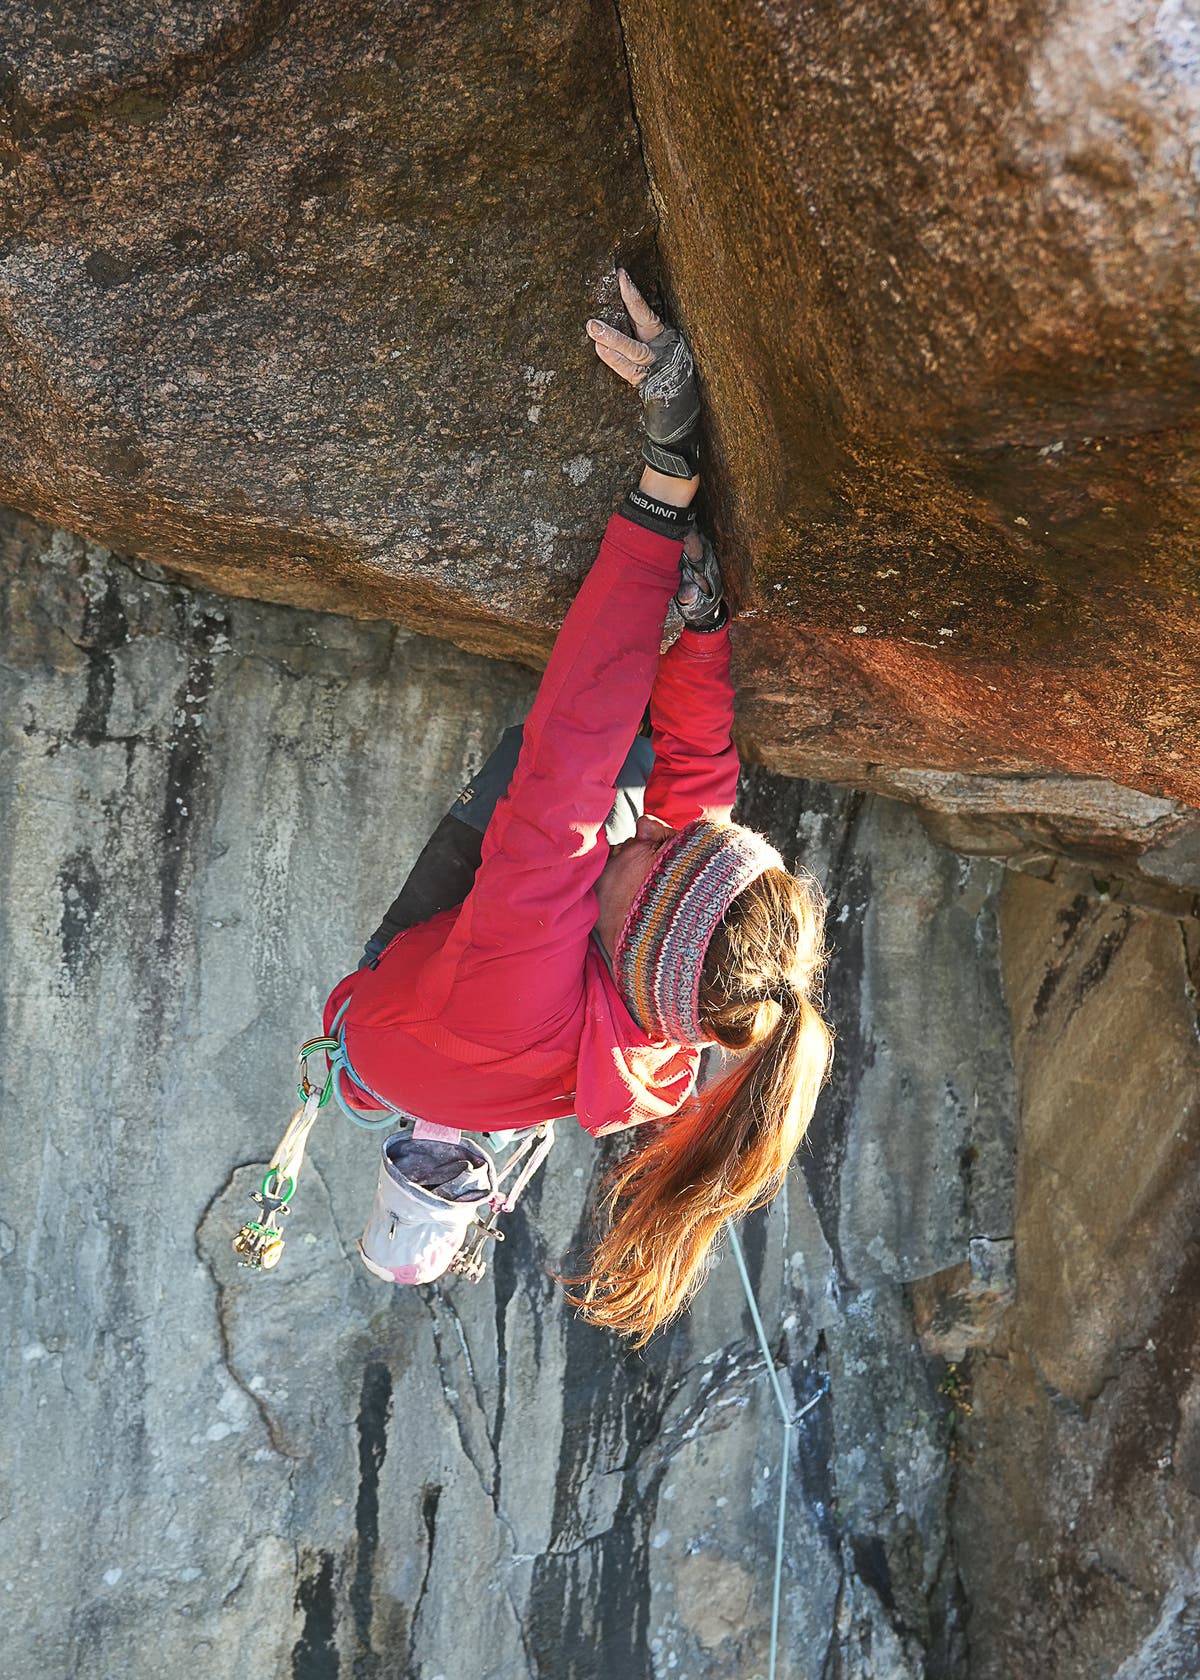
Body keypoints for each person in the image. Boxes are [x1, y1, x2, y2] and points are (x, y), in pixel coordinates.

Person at [323, 270, 833, 1343]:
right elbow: (690, 811)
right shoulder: (677, 1032)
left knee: (571, 770)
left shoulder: (521, 984)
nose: (640, 837)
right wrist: (700, 632)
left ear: (630, 938)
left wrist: (664, 480)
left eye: (648, 857)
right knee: (652, 763)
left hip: (395, 1023)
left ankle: (375, 1082)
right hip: (516, 1029)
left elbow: (571, 743)